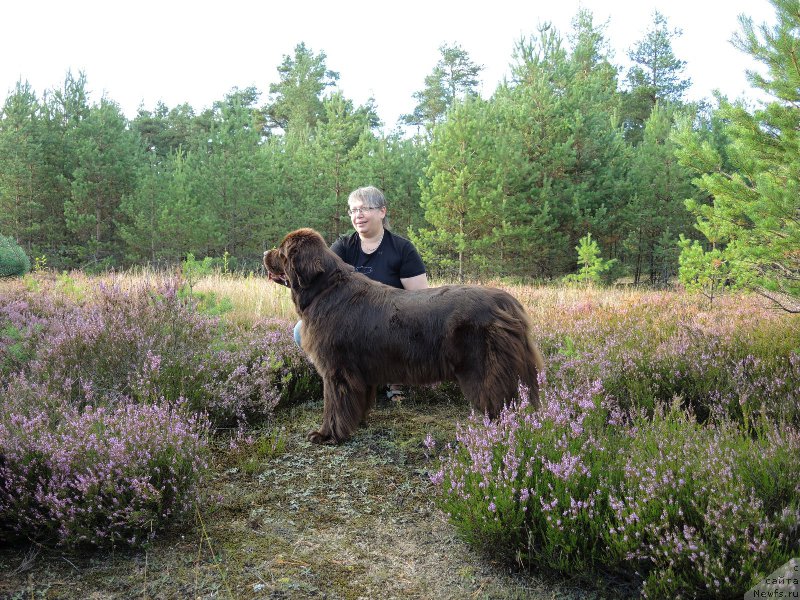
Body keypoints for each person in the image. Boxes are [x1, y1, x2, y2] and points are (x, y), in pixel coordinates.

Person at [294, 185, 428, 402]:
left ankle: (396, 379)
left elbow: (422, 299)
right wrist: (288, 278)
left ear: (382, 212)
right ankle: (348, 379)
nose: (358, 216)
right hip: (353, 324)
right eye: (353, 210)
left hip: (392, 323)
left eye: (364, 209)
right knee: (301, 330)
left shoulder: (403, 249)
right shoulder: (343, 246)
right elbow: (319, 282)